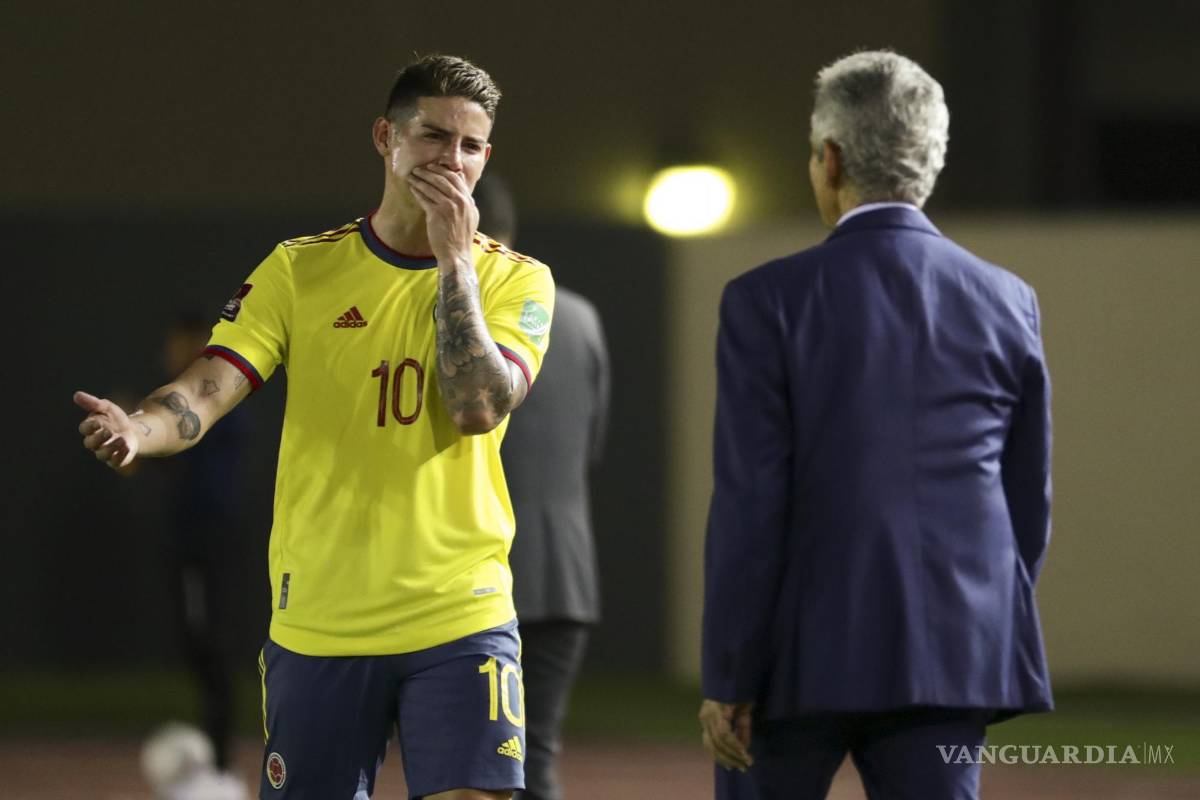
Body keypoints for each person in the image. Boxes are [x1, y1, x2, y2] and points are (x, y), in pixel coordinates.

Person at [75, 54, 555, 800]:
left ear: (485, 157)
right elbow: (208, 386)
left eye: (469, 146)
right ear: (384, 138)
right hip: (323, 622)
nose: (450, 160)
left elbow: (477, 406)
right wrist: (140, 429)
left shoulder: (515, 280)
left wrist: (454, 255)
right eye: (432, 136)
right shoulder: (301, 271)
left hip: (461, 611)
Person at [699, 50, 1052, 800]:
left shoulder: (766, 301)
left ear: (830, 159)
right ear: (929, 161)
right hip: (954, 653)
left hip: (796, 659)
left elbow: (750, 503)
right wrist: (980, 620)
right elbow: (1026, 500)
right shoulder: (1008, 300)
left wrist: (730, 673)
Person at [476, 176, 610, 800]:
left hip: (477, 575)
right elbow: (593, 445)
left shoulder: (454, 320)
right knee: (538, 758)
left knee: (471, 765)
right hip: (567, 575)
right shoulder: (580, 317)